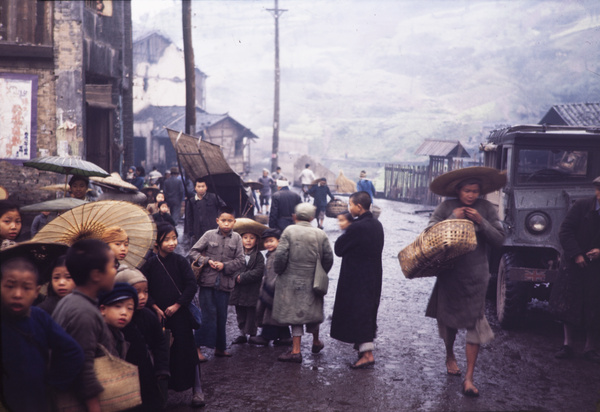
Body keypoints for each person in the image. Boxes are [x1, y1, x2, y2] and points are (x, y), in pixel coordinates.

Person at [424, 167, 506, 397]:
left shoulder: (487, 209)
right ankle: (450, 354)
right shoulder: (446, 207)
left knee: (475, 324)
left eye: (475, 191)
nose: (471, 195)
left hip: (477, 276)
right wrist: (453, 219)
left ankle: (469, 378)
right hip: (450, 274)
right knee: (449, 321)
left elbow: (499, 239)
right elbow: (429, 234)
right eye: (467, 191)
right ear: (458, 190)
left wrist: (482, 222)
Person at [1, 252, 84, 412]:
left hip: (38, 401)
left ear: (37, 291)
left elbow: (73, 352)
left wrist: (55, 383)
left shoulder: (39, 317)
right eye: (10, 286)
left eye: (26, 288)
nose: (17, 294)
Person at [141, 223, 204, 407]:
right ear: (157, 242)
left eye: (174, 238)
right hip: (159, 317)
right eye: (167, 239)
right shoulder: (150, 264)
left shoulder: (180, 261)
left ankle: (197, 390)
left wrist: (177, 304)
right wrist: (154, 307)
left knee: (188, 352)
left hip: (180, 315)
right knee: (163, 355)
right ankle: (161, 393)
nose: (172, 243)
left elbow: (191, 285)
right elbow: (144, 288)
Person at [53, 239, 119, 412]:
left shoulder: (70, 301)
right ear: (96, 274)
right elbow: (84, 369)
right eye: (113, 266)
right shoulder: (83, 313)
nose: (115, 271)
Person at [272, 203, 334, 363]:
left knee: (295, 314)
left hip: (290, 279)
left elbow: (280, 256)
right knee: (312, 310)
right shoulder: (320, 233)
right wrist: (321, 272)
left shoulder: (289, 231)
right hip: (313, 278)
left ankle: (295, 351)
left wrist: (279, 271)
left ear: (295, 216)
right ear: (312, 218)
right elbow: (328, 258)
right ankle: (316, 341)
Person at [330, 191, 384, 369]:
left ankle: (367, 354)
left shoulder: (355, 227)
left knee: (358, 312)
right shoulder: (377, 224)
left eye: (350, 205)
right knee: (367, 310)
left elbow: (339, 249)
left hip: (356, 276)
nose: (348, 207)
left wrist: (346, 230)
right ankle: (364, 350)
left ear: (359, 207)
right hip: (374, 274)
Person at [551, 176, 600, 364]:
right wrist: (577, 254)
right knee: (569, 304)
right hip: (575, 265)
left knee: (595, 307)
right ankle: (568, 345)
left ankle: (591, 348)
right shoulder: (581, 206)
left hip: (597, 269)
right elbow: (565, 231)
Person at [189, 206, 245, 360]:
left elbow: (240, 260)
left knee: (222, 315)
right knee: (207, 315)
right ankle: (197, 348)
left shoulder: (237, 238)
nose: (226, 224)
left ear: (234, 222)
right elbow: (193, 252)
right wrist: (207, 261)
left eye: (229, 221)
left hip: (225, 283)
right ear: (217, 221)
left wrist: (225, 266)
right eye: (223, 221)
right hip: (207, 282)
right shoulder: (209, 235)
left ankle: (220, 348)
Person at [115, 268, 170, 411]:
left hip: (147, 374)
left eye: (145, 291)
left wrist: (161, 368)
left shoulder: (149, 316)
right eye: (136, 291)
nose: (142, 296)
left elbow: (160, 342)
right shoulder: (116, 319)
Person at [251, 228, 293, 347]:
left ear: (279, 241)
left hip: (274, 288)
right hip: (275, 288)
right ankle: (285, 337)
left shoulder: (277, 255)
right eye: (266, 242)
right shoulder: (273, 254)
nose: (268, 244)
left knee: (270, 313)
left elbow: (275, 274)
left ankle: (266, 336)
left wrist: (268, 288)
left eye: (271, 241)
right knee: (276, 313)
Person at [229, 219, 266, 345]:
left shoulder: (259, 256)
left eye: (251, 238)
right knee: (240, 311)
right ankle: (242, 333)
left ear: (256, 241)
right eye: (245, 237)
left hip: (252, 290)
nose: (248, 240)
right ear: (240, 240)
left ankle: (252, 333)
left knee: (251, 312)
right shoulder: (236, 255)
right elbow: (231, 267)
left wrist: (243, 277)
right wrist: (235, 276)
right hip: (238, 289)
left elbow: (259, 271)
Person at [98, 282, 138, 359]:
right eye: (118, 306)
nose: (124, 313)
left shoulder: (119, 335)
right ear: (102, 309)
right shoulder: (99, 334)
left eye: (129, 308)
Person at [185, 177, 227, 245]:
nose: (201, 188)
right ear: (195, 188)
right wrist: (191, 232)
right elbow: (189, 218)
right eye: (198, 186)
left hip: (213, 229)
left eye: (203, 186)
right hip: (198, 231)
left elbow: (224, 208)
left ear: (206, 187)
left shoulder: (213, 197)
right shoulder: (191, 201)